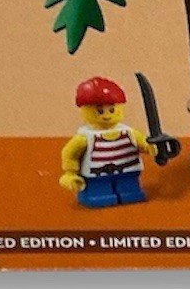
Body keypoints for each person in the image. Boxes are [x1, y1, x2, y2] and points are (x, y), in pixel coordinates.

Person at [60, 76, 148, 206]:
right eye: (100, 111)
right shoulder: (84, 137)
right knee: (99, 190)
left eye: (111, 110)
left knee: (128, 186)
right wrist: (70, 172)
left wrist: (153, 147)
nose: (106, 115)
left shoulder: (129, 133)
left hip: (127, 172)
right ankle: (99, 196)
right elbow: (70, 154)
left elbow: (144, 145)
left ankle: (129, 194)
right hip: (97, 176)